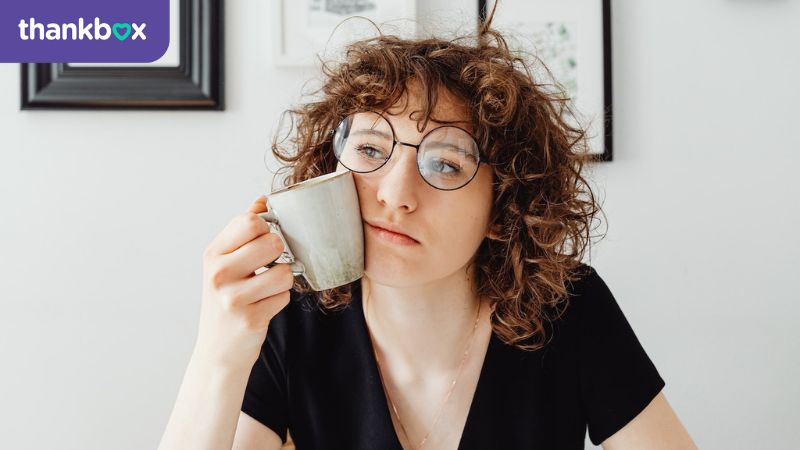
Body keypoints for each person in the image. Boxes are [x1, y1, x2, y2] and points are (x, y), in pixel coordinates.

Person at [158, 7, 697, 450]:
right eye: (369, 149)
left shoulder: (564, 306)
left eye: (445, 164)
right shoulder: (290, 318)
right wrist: (219, 352)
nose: (394, 194)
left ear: (504, 208)